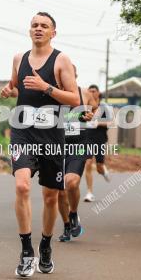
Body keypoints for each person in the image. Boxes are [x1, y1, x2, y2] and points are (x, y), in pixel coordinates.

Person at [1, 12, 80, 277]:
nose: (38, 29)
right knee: (22, 185)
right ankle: (26, 250)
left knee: (50, 197)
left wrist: (46, 87)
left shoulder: (61, 60)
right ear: (29, 30)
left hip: (51, 135)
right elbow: (17, 87)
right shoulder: (18, 59)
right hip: (23, 132)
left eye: (44, 26)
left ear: (53, 33)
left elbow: (74, 100)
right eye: (34, 25)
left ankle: (45, 244)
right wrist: (8, 89)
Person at [57, 66, 95, 242]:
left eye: (70, 75)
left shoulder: (85, 93)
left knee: (71, 183)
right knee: (59, 191)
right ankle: (66, 226)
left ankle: (73, 213)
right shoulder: (52, 93)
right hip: (56, 144)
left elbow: (93, 109)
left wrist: (89, 115)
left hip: (79, 144)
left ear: (75, 76)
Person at [82, 84, 111, 202]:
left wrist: (98, 122)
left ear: (98, 93)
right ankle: (89, 193)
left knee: (99, 167)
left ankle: (103, 171)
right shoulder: (84, 107)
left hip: (100, 138)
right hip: (87, 138)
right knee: (88, 163)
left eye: (94, 91)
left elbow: (109, 123)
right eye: (90, 91)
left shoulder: (104, 107)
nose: (92, 93)